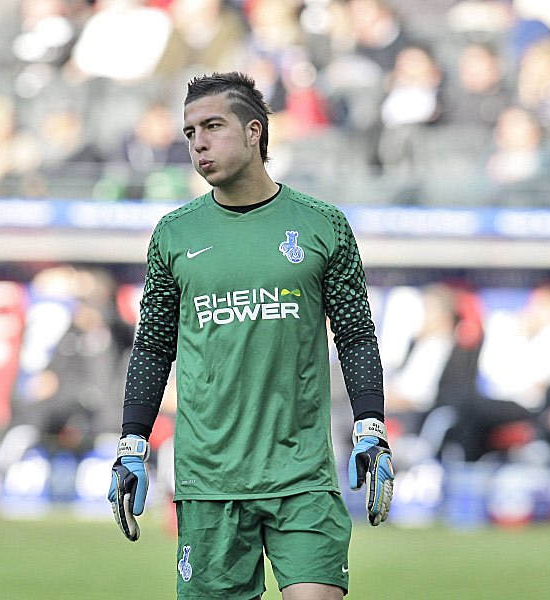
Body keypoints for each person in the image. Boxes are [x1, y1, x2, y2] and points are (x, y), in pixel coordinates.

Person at [107, 71, 394, 600]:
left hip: (302, 476)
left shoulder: (322, 225)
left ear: (255, 131)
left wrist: (370, 427)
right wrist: (132, 443)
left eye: (213, 126)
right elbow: (151, 346)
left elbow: (355, 333)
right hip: (209, 480)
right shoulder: (175, 234)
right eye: (190, 132)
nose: (199, 142)